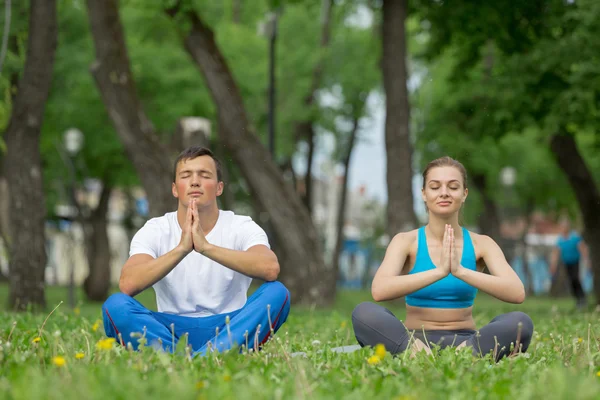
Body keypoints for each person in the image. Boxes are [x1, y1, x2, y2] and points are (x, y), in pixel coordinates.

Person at [102, 146, 291, 356]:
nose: (194, 182)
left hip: (230, 327)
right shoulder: (155, 229)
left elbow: (270, 268)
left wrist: (206, 247)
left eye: (204, 175)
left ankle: (192, 358)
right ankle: (204, 357)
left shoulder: (241, 225)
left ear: (219, 188)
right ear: (175, 189)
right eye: (186, 175)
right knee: (116, 306)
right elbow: (128, 283)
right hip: (170, 331)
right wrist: (182, 249)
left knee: (277, 293)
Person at [352, 156, 534, 362]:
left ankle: (463, 355)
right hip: (413, 340)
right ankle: (418, 354)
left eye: (453, 187)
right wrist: (438, 272)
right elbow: (379, 290)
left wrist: (460, 271)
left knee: (521, 323)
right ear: (424, 193)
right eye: (435, 186)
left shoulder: (481, 244)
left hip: (466, 341)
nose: (444, 193)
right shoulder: (405, 241)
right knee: (363, 312)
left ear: (464, 194)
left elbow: (517, 292)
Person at [549, 220, 588, 310]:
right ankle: (578, 300)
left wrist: (586, 260)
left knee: (575, 278)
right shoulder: (560, 240)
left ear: (568, 227)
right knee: (571, 281)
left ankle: (582, 298)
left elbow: (582, 248)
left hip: (576, 262)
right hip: (567, 263)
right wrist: (553, 266)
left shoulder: (575, 237)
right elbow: (556, 253)